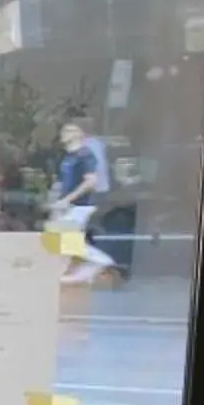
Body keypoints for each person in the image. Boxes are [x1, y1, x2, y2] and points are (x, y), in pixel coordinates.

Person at [50, 118, 115, 286]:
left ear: (80, 134)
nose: (64, 134)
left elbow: (91, 181)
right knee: (61, 238)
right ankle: (76, 272)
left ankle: (101, 261)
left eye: (70, 131)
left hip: (81, 205)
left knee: (65, 239)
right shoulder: (69, 156)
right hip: (69, 204)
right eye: (64, 131)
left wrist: (67, 200)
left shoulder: (85, 155)